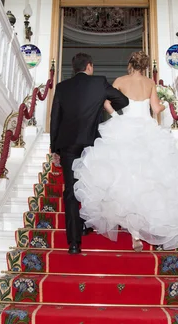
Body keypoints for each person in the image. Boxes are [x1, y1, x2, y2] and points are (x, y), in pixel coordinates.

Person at [72, 51, 178, 251]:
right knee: (148, 182)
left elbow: (104, 101)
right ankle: (141, 231)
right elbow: (156, 109)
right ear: (145, 66)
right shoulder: (150, 83)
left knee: (126, 180)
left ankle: (135, 234)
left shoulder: (120, 80)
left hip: (124, 128)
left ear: (130, 64)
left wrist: (116, 116)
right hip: (147, 130)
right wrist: (166, 102)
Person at [50, 53, 129, 254]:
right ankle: (86, 224)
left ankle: (74, 243)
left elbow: (55, 118)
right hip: (91, 143)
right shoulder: (99, 84)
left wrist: (54, 148)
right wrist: (102, 105)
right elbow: (123, 101)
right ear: (89, 66)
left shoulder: (61, 87)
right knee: (92, 185)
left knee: (70, 191)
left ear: (74, 68)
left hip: (67, 144)